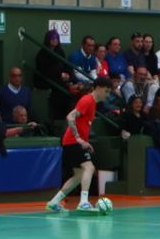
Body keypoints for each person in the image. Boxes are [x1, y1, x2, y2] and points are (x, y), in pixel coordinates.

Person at [45, 76, 112, 213]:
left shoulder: (93, 104)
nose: (107, 95)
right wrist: (79, 139)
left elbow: (82, 124)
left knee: (78, 176)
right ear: (98, 88)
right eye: (106, 91)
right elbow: (70, 117)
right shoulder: (87, 100)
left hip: (74, 142)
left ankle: (53, 202)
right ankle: (83, 202)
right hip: (73, 142)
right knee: (90, 167)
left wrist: (84, 141)